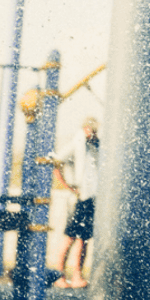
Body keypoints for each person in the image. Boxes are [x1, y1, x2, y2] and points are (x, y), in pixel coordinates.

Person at [50, 116, 100, 288]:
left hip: (91, 196)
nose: (93, 133)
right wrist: (68, 186)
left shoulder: (94, 147)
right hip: (79, 197)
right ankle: (59, 275)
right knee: (70, 237)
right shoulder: (76, 144)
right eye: (91, 129)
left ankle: (77, 275)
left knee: (84, 239)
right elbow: (57, 162)